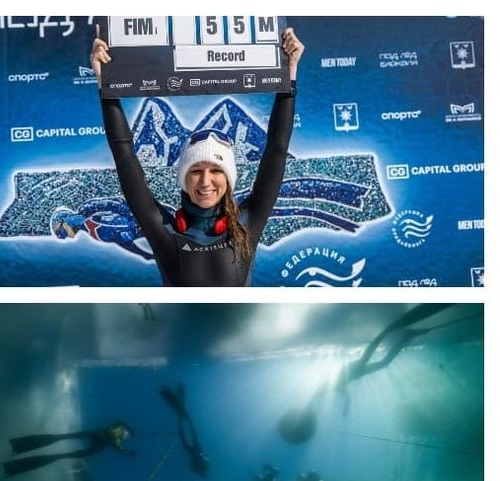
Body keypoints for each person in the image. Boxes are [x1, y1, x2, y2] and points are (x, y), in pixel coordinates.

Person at [90, 26, 304, 286]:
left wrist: (289, 72)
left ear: (228, 178)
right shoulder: (164, 231)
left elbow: (277, 149)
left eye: (216, 170)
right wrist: (105, 82)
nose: (205, 181)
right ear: (183, 178)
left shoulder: (247, 223)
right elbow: (124, 154)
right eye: (195, 171)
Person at [279, 304, 452, 444]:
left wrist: (308, 415)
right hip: (354, 375)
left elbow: (325, 393)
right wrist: (345, 407)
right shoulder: (325, 393)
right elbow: (340, 392)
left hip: (351, 371)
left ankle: (388, 331)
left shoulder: (320, 393)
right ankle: (405, 337)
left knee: (369, 355)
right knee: (383, 363)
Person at [3, 421, 135, 477]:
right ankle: (13, 465)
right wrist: (129, 452)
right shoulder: (118, 438)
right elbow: (119, 447)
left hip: (96, 434)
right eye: (127, 435)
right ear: (126, 432)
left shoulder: (117, 427)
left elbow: (116, 424)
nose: (126, 436)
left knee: (63, 437)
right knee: (62, 455)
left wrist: (122, 427)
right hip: (97, 443)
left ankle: (17, 445)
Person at [159, 384, 209, 477]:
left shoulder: (201, 469)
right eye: (203, 474)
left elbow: (193, 465)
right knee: (190, 433)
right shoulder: (204, 468)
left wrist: (197, 462)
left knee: (187, 435)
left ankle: (182, 421)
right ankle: (182, 421)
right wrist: (200, 460)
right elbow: (204, 460)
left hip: (192, 451)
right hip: (196, 450)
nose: (203, 473)